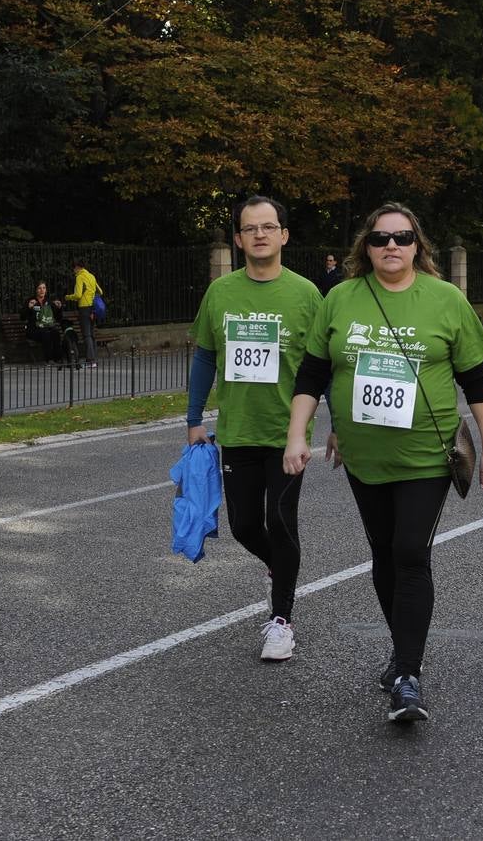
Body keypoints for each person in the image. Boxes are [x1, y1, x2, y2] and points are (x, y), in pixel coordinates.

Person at [284, 202, 483, 723]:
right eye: (381, 238)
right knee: (384, 554)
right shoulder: (340, 299)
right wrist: (299, 436)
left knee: (409, 550)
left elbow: (475, 380)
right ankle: (402, 652)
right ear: (367, 245)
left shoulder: (446, 299)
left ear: (417, 245)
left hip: (426, 455)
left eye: (402, 238)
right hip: (364, 458)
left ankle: (408, 675)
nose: (391, 247)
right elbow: (313, 375)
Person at [187, 195, 322, 661]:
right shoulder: (221, 293)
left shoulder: (307, 294)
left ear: (284, 235)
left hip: (287, 432)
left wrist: (332, 426)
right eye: (250, 228)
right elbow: (205, 355)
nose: (260, 234)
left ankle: (281, 620)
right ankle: (281, 569)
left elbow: (326, 366)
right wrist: (193, 419)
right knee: (245, 525)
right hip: (238, 431)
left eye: (269, 226)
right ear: (240, 239)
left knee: (280, 523)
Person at [65, 259, 102, 368]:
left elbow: (77, 295)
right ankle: (93, 359)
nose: (73, 270)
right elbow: (100, 291)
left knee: (86, 335)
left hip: (84, 308)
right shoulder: (91, 276)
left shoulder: (80, 277)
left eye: (74, 268)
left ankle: (90, 360)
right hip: (93, 308)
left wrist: (68, 297)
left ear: (77, 267)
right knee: (91, 334)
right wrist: (91, 295)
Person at [21, 281, 71, 363]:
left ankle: (58, 358)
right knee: (46, 333)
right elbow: (22, 317)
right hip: (34, 329)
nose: (42, 290)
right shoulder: (31, 300)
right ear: (36, 290)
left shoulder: (49, 301)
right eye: (39, 288)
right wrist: (28, 307)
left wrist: (59, 308)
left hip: (47, 327)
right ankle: (49, 359)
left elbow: (58, 318)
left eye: (44, 288)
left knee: (55, 333)